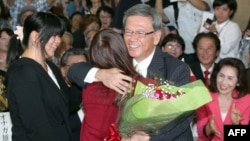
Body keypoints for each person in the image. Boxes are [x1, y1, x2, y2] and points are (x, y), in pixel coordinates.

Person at [68, 4, 193, 141]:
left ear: (157, 37)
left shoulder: (176, 68)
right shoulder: (118, 59)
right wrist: (101, 74)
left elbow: (183, 116)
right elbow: (75, 70)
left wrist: (147, 138)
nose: (132, 39)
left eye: (140, 33)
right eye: (128, 32)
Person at [6, 12, 72, 141]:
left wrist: (95, 75)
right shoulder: (24, 73)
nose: (58, 41)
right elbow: (37, 128)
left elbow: (66, 106)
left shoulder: (50, 67)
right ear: (35, 36)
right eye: (53, 35)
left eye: (59, 36)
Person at [195, 58, 250, 141]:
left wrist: (236, 125)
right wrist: (209, 128)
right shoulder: (205, 96)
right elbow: (201, 133)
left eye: (230, 78)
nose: (223, 82)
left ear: (238, 82)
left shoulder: (246, 100)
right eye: (221, 76)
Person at [60, 48, 88, 141]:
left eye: (84, 66)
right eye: (74, 67)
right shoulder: (57, 94)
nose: (80, 71)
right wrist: (84, 112)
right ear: (63, 71)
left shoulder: (97, 89)